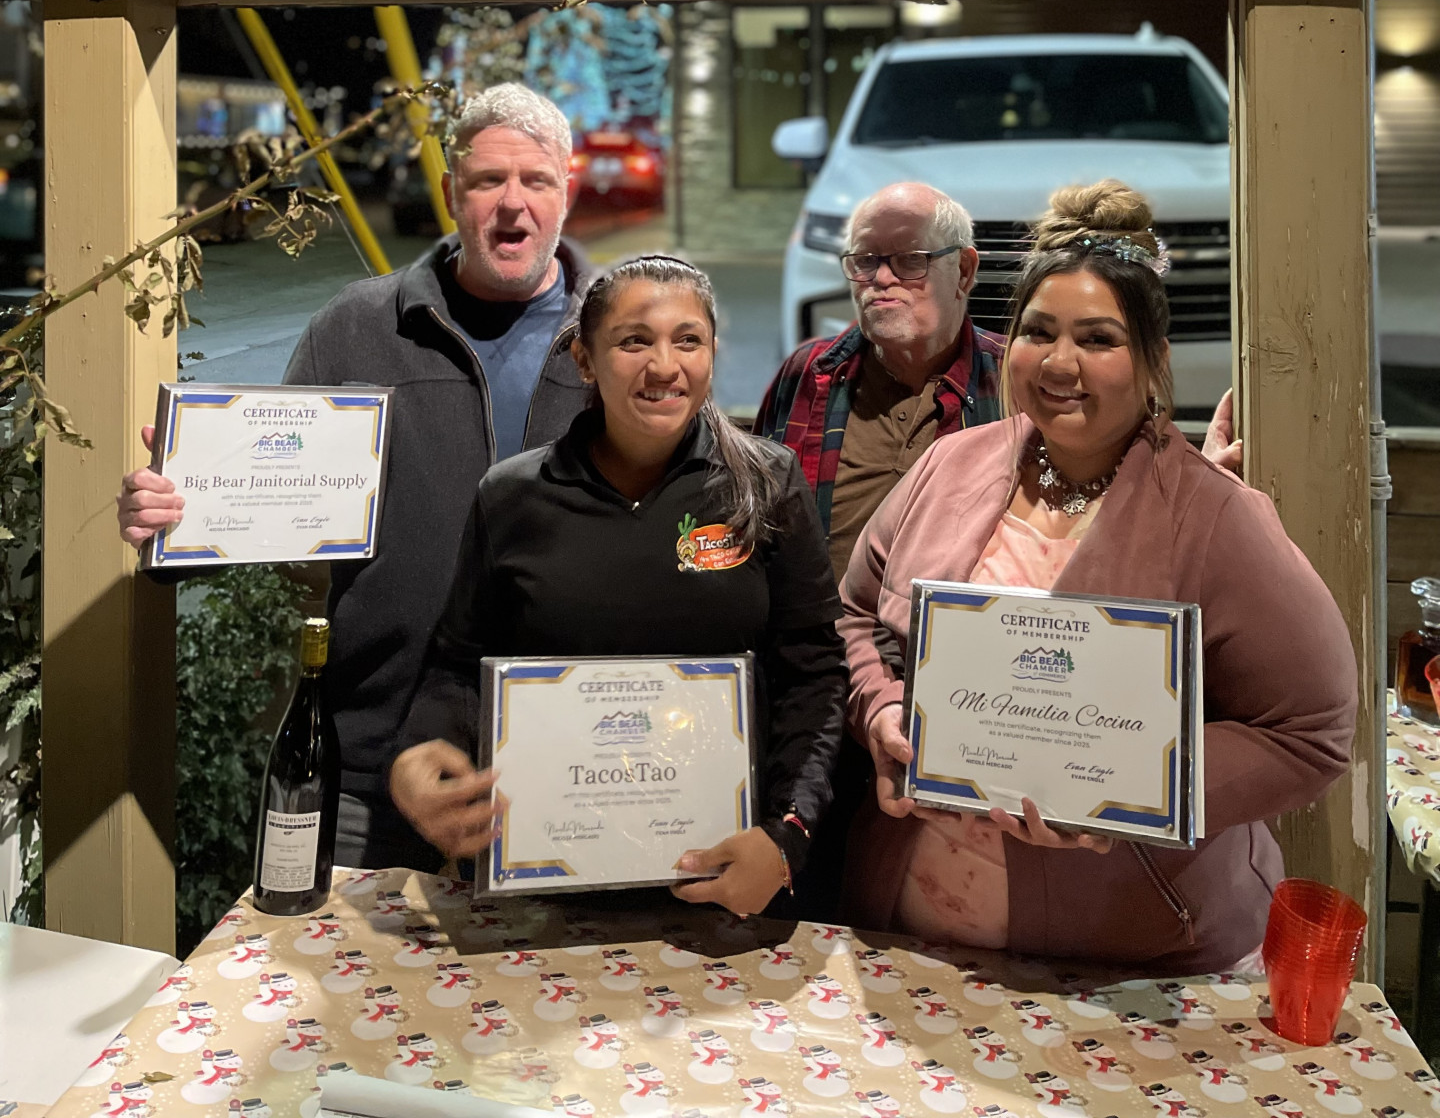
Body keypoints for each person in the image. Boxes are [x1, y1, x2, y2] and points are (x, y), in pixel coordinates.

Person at [841, 180, 1356, 972]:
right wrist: (880, 711)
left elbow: (1312, 732)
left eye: (1098, 339)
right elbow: (854, 616)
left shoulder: (1217, 516)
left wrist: (1131, 788)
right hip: (915, 944)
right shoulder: (950, 466)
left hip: (1125, 964)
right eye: (1038, 331)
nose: (1059, 362)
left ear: (1152, 361)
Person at [116, 83, 594, 870]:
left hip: (569, 765)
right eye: (488, 180)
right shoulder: (359, 327)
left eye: (535, 180)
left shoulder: (617, 334)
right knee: (339, 953)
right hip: (373, 768)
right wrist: (177, 514)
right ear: (451, 192)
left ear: (565, 191)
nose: (513, 203)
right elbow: (268, 492)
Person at [389, 255, 847, 914]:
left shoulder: (768, 485)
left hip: (721, 880)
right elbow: (459, 663)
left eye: (687, 340)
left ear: (712, 353)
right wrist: (418, 755)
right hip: (549, 880)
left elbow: (815, 673)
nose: (664, 366)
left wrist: (787, 835)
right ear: (584, 359)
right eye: (634, 341)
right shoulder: (513, 496)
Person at [756, 182, 1005, 582]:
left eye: (910, 259)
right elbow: (757, 523)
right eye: (865, 260)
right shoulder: (808, 373)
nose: (882, 277)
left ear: (963, 271)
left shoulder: (1012, 378)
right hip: (821, 623)